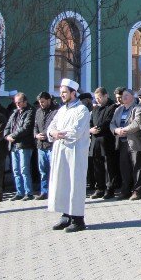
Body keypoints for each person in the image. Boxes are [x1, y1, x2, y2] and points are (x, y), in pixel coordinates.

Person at [48, 79, 92, 232]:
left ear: (73, 93)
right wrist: (53, 133)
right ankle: (65, 216)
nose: (62, 95)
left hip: (75, 153)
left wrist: (59, 133)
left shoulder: (82, 110)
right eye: (61, 93)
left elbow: (76, 131)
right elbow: (51, 127)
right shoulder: (61, 110)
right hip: (61, 151)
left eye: (65, 92)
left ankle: (78, 219)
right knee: (62, 183)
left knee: (75, 184)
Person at [111, 89, 141, 200]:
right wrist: (116, 130)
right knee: (124, 168)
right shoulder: (118, 109)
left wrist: (124, 130)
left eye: (126, 95)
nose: (123, 97)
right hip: (122, 143)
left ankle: (137, 192)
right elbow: (112, 123)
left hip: (134, 142)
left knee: (137, 168)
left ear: (132, 96)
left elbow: (136, 123)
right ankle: (125, 191)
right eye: (123, 96)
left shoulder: (138, 108)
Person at [4, 92, 36, 201]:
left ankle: (28, 192)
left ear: (25, 102)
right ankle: (19, 192)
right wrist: (7, 135)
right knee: (16, 170)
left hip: (24, 144)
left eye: (19, 102)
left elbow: (26, 128)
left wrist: (13, 136)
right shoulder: (14, 113)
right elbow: (8, 126)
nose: (17, 104)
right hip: (13, 145)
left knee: (24, 169)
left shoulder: (30, 112)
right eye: (16, 102)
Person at [89, 87, 118, 200]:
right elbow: (90, 121)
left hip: (107, 140)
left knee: (109, 167)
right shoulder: (95, 109)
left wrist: (98, 128)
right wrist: (91, 129)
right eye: (96, 98)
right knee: (97, 166)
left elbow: (109, 121)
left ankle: (109, 189)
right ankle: (99, 188)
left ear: (106, 95)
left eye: (100, 97)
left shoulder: (112, 107)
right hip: (95, 141)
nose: (98, 100)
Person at [34, 92, 58, 200]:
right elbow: (35, 125)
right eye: (40, 102)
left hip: (51, 145)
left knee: (54, 170)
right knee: (43, 171)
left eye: (43, 102)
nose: (41, 104)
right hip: (41, 146)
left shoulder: (56, 111)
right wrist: (36, 135)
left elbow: (52, 125)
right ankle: (44, 191)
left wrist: (44, 133)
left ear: (49, 100)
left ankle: (55, 191)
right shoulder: (38, 111)